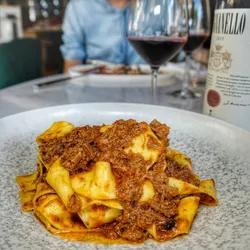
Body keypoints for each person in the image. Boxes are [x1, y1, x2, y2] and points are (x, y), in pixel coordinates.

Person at [60, 0, 144, 73]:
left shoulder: (153, 4)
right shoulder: (79, 6)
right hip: (96, 87)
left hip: (147, 84)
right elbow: (72, 65)